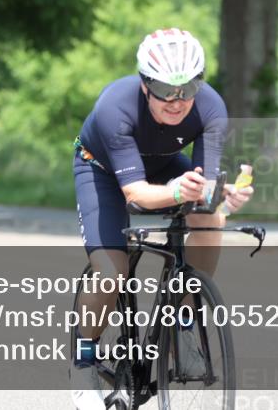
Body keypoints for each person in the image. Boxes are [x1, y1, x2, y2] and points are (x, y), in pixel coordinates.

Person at [70, 28, 253, 410]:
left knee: (209, 218)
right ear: (144, 84)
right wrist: (177, 192)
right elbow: (135, 194)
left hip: (165, 163)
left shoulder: (211, 107)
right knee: (111, 271)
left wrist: (221, 195)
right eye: (165, 90)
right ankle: (82, 362)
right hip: (102, 169)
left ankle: (184, 322)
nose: (177, 101)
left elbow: (204, 185)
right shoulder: (113, 108)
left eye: (187, 89)